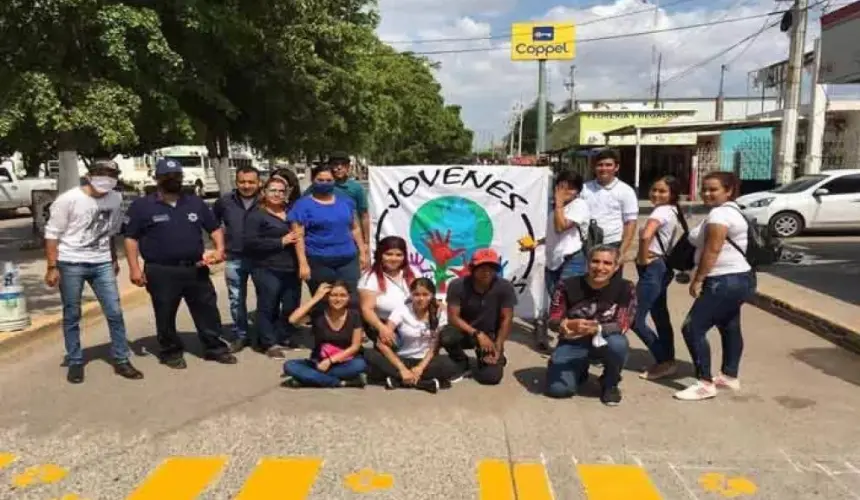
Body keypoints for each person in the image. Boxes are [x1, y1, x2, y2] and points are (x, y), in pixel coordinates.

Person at [122, 158, 236, 369]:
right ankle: (170, 352)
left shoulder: (194, 202)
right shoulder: (142, 206)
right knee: (165, 313)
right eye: (167, 176)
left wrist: (219, 249)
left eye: (177, 176)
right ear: (157, 178)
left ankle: (214, 348)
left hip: (196, 268)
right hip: (161, 270)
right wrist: (134, 268)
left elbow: (214, 228)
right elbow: (130, 238)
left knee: (207, 310)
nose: (173, 180)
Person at [43, 160, 143, 384]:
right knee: (72, 313)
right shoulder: (68, 200)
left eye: (111, 174)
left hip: (102, 263)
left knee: (114, 311)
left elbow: (111, 231)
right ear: (89, 176)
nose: (106, 178)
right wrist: (52, 266)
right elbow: (52, 234)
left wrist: (112, 258)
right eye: (101, 174)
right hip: (71, 263)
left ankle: (121, 358)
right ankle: (76, 360)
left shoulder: (115, 198)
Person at [675, 172, 756, 401]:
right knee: (729, 325)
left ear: (728, 190)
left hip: (723, 280)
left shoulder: (720, 214)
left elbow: (713, 249)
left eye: (713, 189)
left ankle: (704, 383)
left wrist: (698, 279)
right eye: (704, 189)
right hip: (740, 277)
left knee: (692, 328)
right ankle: (730, 375)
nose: (707, 193)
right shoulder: (733, 210)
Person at [545, 245, 636, 406]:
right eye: (595, 261)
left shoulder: (626, 287)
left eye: (607, 263)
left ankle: (610, 383)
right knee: (558, 390)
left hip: (605, 340)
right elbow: (553, 318)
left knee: (619, 344)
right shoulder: (566, 285)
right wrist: (565, 324)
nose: (600, 268)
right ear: (587, 263)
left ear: (616, 267)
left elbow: (624, 323)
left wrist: (598, 329)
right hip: (573, 341)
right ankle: (579, 370)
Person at [529, 170, 590, 350]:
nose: (565, 191)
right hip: (553, 260)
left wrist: (559, 202)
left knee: (569, 302)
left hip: (572, 259)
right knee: (558, 303)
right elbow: (554, 234)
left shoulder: (579, 206)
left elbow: (561, 226)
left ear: (578, 191)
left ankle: (574, 344)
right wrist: (537, 243)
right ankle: (567, 338)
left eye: (570, 188)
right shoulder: (557, 207)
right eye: (561, 186)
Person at [243, 175, 303, 358]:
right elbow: (250, 243)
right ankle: (267, 342)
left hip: (291, 267)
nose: (277, 194)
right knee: (268, 305)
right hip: (267, 268)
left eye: (281, 191)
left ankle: (284, 335)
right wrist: (280, 241)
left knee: (291, 305)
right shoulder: (256, 215)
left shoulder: (292, 212)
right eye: (273, 190)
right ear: (264, 192)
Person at [364, 278, 458, 393]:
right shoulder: (401, 311)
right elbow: (381, 343)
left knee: (450, 365)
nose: (421, 299)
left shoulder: (439, 313)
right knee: (369, 354)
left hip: (426, 361)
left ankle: (398, 381)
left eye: (425, 294)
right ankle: (423, 383)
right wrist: (402, 369)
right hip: (402, 359)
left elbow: (435, 346)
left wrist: (420, 368)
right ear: (411, 295)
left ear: (432, 295)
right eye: (416, 295)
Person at [290, 164, 368, 302]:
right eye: (320, 180)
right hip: (319, 261)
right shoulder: (302, 205)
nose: (325, 183)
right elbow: (298, 236)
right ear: (313, 180)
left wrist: (363, 252)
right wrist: (303, 263)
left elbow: (355, 228)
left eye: (328, 180)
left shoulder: (346, 203)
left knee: (352, 300)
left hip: (348, 260)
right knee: (323, 301)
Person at [441, 248, 517, 385]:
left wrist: (498, 345)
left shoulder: (505, 287)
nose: (487, 271)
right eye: (482, 267)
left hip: (490, 335)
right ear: (472, 268)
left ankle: (496, 356)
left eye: (491, 268)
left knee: (490, 378)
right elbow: (453, 317)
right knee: (446, 336)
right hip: (465, 331)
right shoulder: (457, 285)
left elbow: (507, 318)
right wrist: (477, 334)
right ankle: (462, 363)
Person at [633, 176, 684, 381]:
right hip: (663, 266)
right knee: (660, 315)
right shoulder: (673, 210)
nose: (656, 194)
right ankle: (668, 358)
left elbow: (646, 236)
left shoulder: (661, 211)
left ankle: (664, 361)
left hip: (653, 268)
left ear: (672, 194)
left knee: (634, 318)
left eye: (662, 191)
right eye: (654, 190)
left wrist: (643, 258)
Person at [282, 282, 367, 388]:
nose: (338, 299)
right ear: (327, 297)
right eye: (334, 295)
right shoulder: (319, 314)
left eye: (342, 295)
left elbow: (355, 346)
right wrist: (316, 298)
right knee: (289, 366)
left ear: (349, 297)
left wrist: (330, 361)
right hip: (319, 361)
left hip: (344, 361)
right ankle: (341, 383)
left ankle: (309, 379)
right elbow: (292, 319)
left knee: (360, 365)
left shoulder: (354, 315)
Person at [212, 165, 261, 352]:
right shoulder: (224, 202)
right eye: (242, 182)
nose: (246, 185)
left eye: (251, 182)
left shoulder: (266, 201)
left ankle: (263, 334)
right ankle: (241, 334)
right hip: (235, 257)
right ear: (236, 182)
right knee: (236, 298)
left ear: (258, 183)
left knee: (265, 297)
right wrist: (220, 247)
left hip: (262, 259)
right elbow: (213, 225)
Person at [579, 148, 638, 274]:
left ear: (616, 167)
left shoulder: (626, 191)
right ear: (594, 167)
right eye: (600, 165)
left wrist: (621, 253)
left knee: (611, 287)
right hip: (586, 245)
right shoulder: (584, 189)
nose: (604, 168)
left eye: (608, 165)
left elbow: (630, 224)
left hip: (612, 244)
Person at [304, 152, 370, 249]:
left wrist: (366, 243)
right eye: (335, 164)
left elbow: (364, 216)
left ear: (348, 167)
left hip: (350, 241)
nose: (339, 167)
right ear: (330, 166)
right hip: (321, 241)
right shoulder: (318, 185)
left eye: (343, 164)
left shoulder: (356, 188)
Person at [358, 236, 417, 343]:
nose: (394, 259)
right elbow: (366, 310)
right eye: (389, 254)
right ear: (380, 255)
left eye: (399, 255)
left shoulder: (411, 274)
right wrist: (382, 329)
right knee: (394, 344)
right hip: (383, 322)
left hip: (410, 321)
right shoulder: (369, 279)